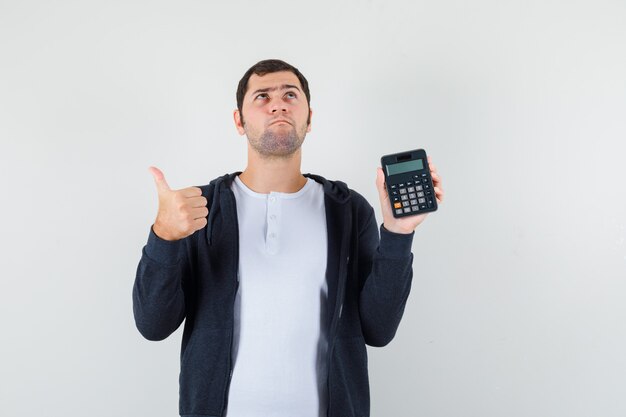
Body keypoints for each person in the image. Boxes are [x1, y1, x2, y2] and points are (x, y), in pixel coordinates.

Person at [132, 59, 444, 417]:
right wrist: (164, 237)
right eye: (262, 96)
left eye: (290, 95)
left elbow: (379, 329)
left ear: (309, 118)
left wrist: (398, 233)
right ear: (239, 120)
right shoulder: (198, 210)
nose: (278, 104)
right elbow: (153, 325)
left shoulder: (348, 210)